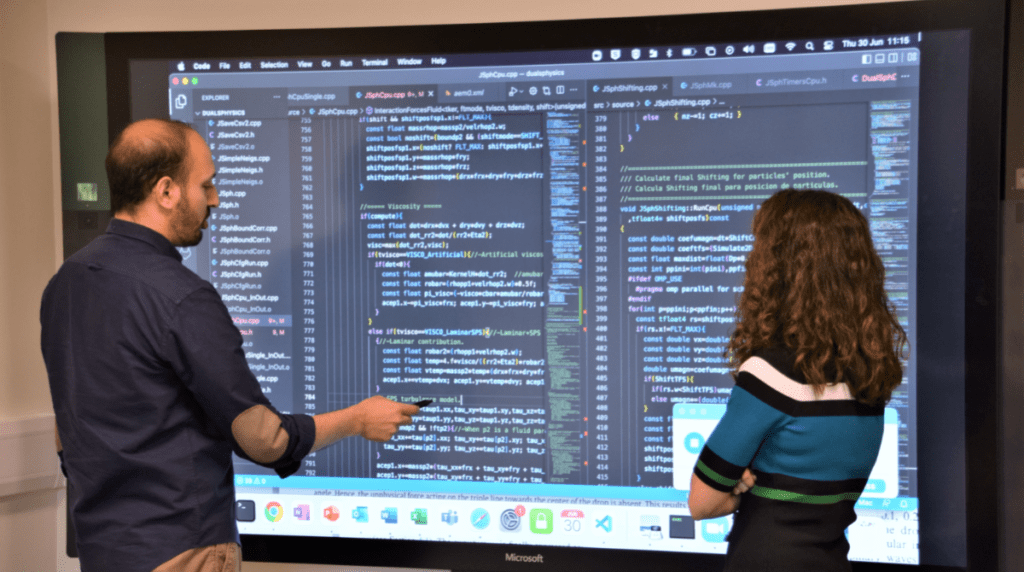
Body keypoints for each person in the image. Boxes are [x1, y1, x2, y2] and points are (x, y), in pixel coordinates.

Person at [40, 118, 422, 572]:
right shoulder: (182, 298)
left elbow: (67, 427)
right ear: (166, 191)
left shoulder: (65, 283)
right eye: (207, 184)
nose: (215, 199)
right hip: (181, 551)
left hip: (104, 551)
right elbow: (263, 439)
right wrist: (359, 418)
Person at [688, 189, 908, 571]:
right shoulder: (870, 377)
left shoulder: (770, 375)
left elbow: (702, 503)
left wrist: (741, 489)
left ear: (777, 266)